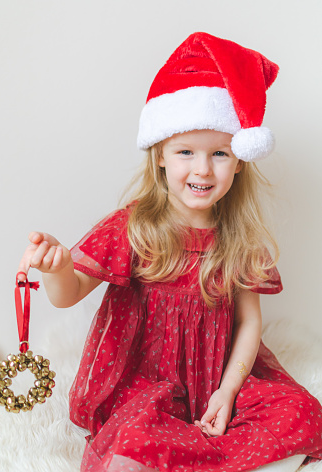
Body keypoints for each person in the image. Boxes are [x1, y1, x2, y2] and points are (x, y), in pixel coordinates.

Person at [18, 32, 322, 472]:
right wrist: (59, 266)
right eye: (186, 152)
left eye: (219, 153)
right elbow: (68, 294)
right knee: (134, 439)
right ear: (160, 155)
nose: (202, 169)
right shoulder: (135, 225)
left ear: (239, 160)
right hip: (147, 383)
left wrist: (229, 391)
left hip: (218, 378)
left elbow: (248, 320)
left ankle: (219, 456)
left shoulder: (238, 237)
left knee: (302, 412)